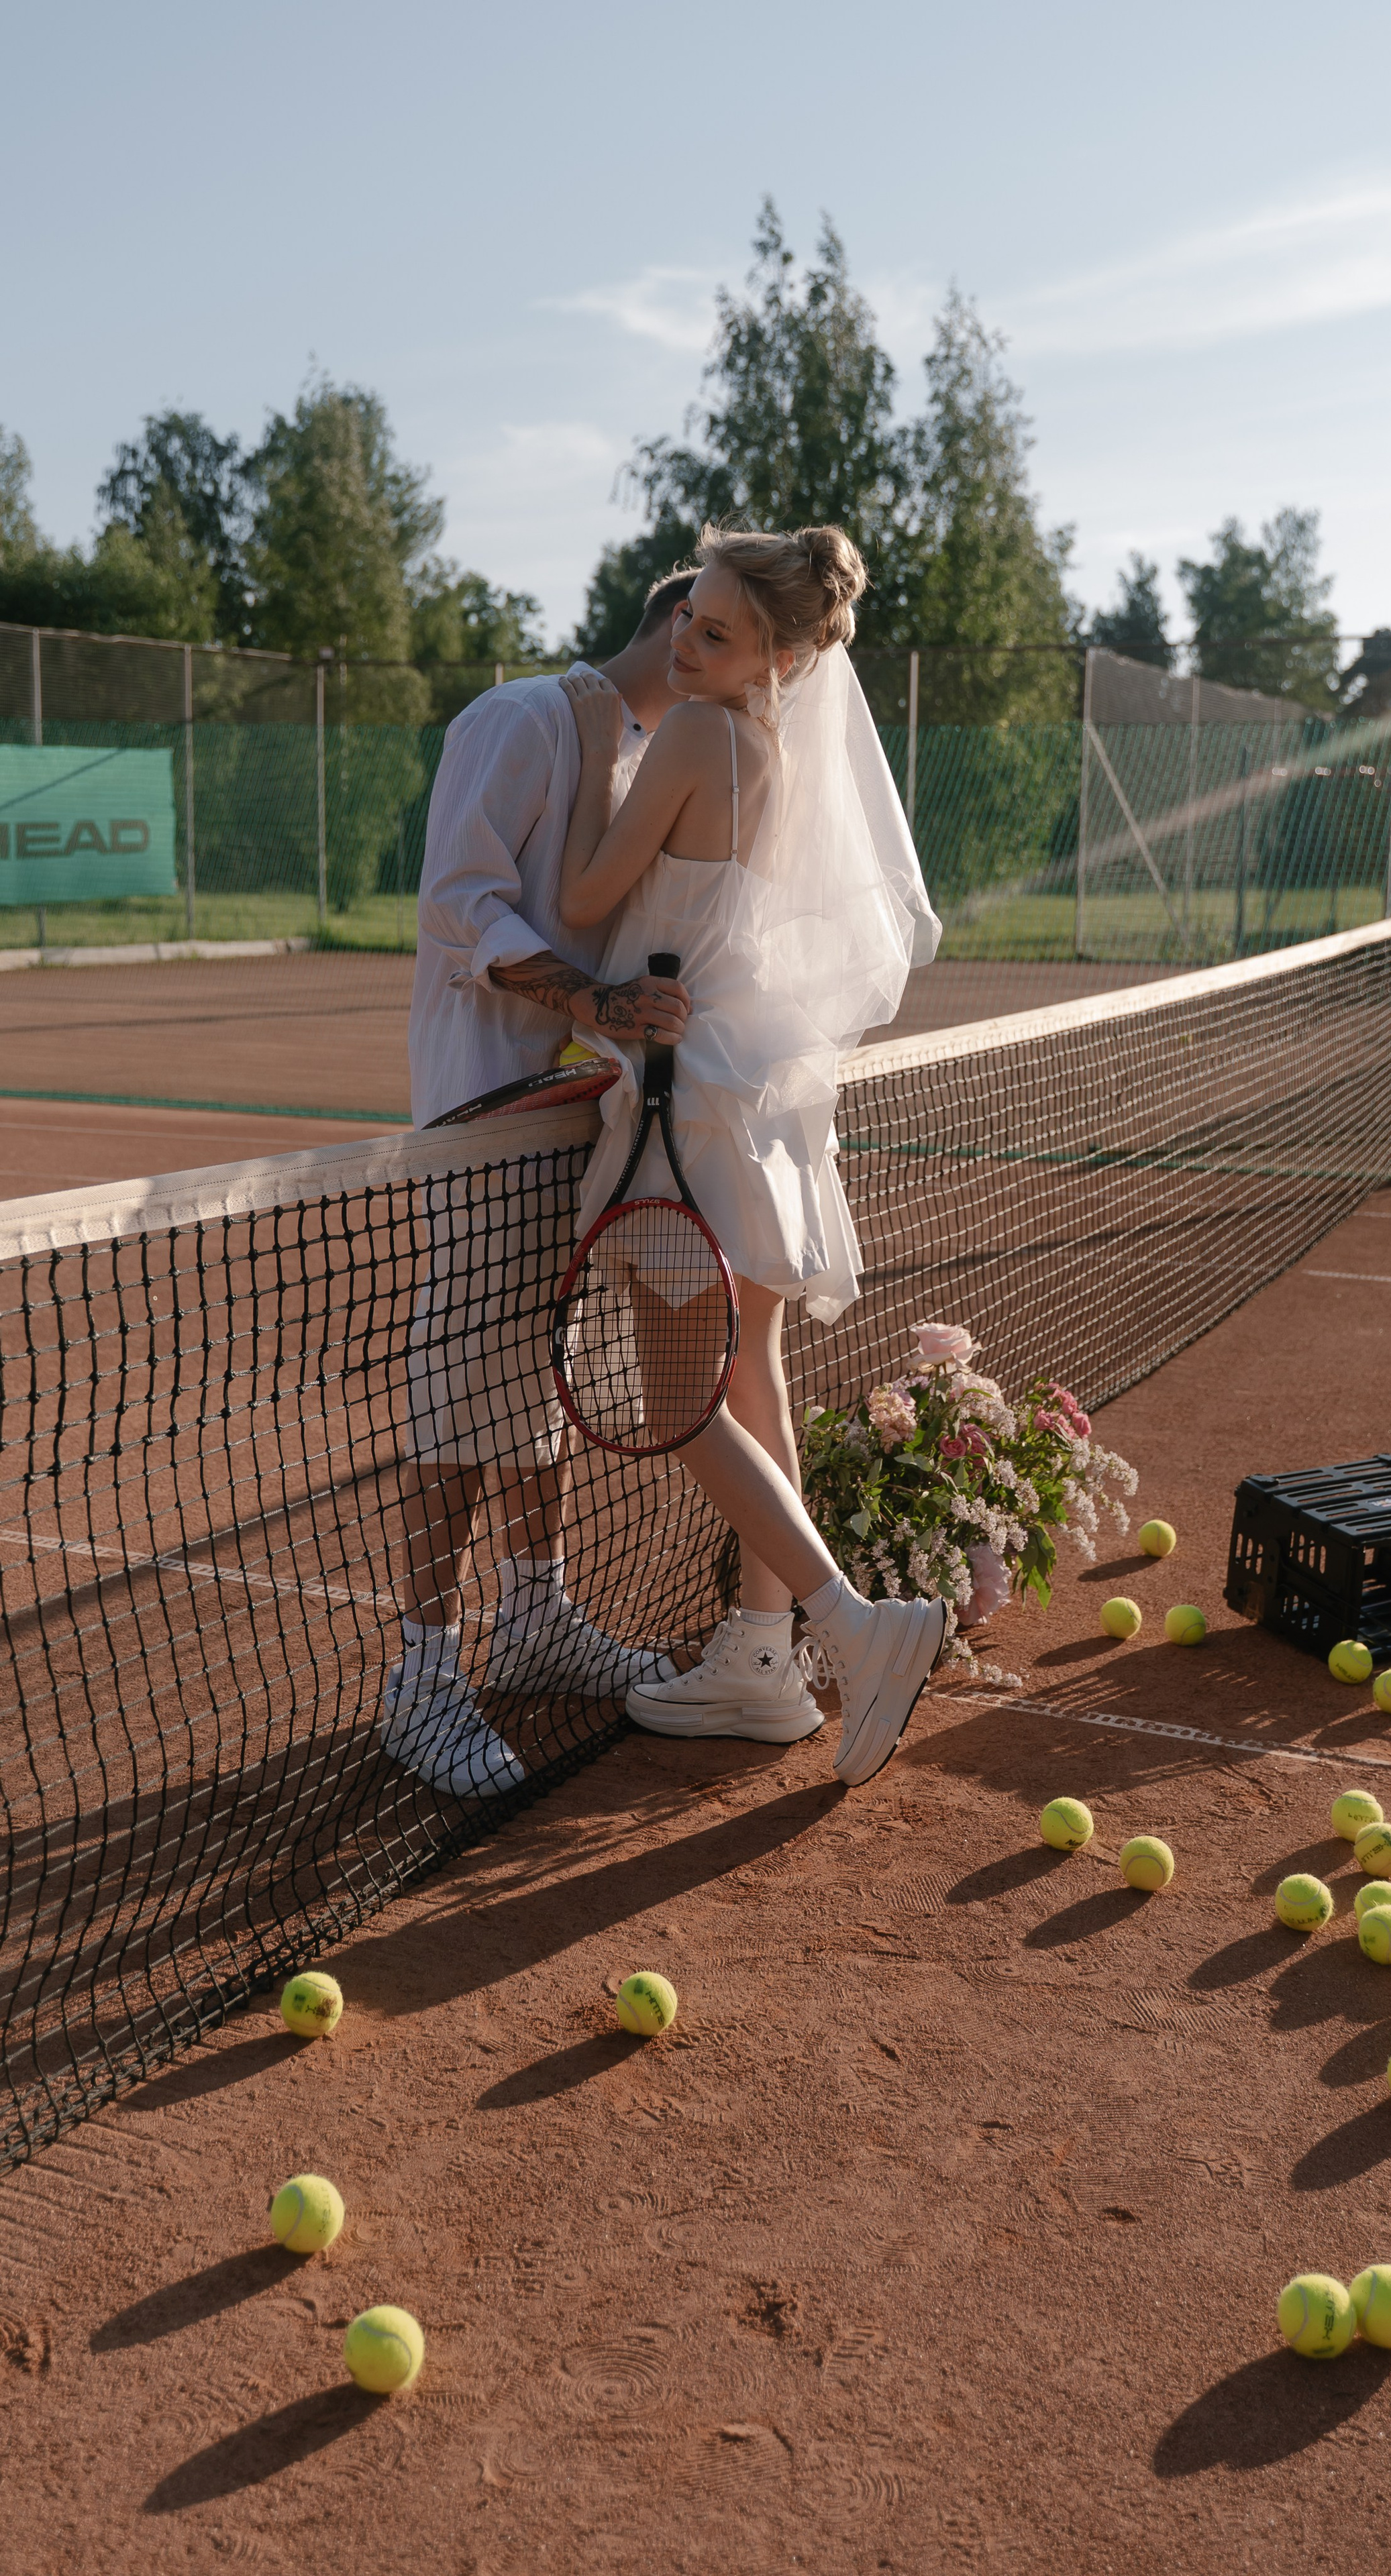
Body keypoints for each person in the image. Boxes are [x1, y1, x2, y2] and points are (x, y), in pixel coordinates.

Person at [554, 523, 947, 1787]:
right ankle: (761, 1658)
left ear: (775, 655)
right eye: (686, 619)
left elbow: (578, 902)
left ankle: (849, 1624)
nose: (685, 640)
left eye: (715, 632)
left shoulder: (687, 734)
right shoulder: (773, 749)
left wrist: (586, 766)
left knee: (684, 1398)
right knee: (754, 1368)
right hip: (752, 1090)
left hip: (689, 1098)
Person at [382, 575, 699, 1799]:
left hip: (579, 1124)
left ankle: (537, 1616)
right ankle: (421, 1675)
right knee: (458, 1400)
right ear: (684, 627)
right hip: (481, 1122)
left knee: (541, 1386)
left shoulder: (646, 755)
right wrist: (595, 1002)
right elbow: (461, 908)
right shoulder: (516, 720)